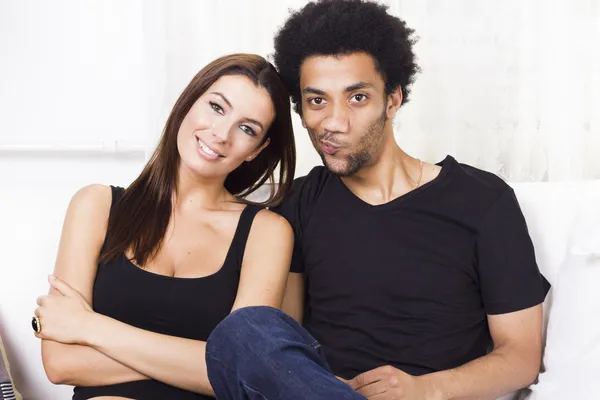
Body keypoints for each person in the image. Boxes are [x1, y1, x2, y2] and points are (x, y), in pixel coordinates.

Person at [204, 1, 551, 399]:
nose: (334, 122)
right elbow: (278, 342)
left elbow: (521, 356)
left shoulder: (483, 201)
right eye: (317, 100)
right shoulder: (299, 203)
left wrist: (424, 390)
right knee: (242, 332)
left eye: (357, 98)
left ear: (392, 99)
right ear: (301, 111)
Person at [32, 53, 296, 399]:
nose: (220, 134)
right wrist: (202, 363)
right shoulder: (96, 206)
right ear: (188, 102)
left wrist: (90, 327)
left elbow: (244, 372)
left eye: (247, 129)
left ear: (256, 149)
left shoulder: (267, 233)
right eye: (217, 107)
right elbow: (61, 362)